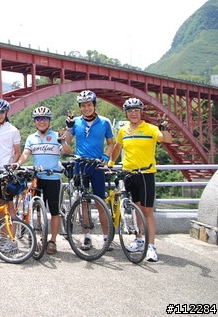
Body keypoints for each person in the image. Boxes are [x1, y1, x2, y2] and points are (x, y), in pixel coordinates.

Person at [110, 98, 172, 262]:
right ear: (126, 113)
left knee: (147, 211)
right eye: (130, 111)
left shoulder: (150, 128)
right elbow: (117, 147)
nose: (133, 113)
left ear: (141, 112)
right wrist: (111, 163)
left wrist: (163, 128)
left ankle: (151, 247)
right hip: (129, 174)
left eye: (136, 110)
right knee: (135, 209)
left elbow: (166, 139)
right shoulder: (123, 130)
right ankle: (139, 240)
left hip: (146, 174)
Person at [14, 106, 71, 255]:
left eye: (44, 118)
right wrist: (18, 164)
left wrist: (63, 142)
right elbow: (26, 153)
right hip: (37, 178)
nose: (41, 121)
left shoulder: (56, 135)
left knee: (54, 211)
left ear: (49, 120)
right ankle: (39, 236)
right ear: (35, 121)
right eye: (38, 119)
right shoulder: (31, 138)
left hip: (53, 178)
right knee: (36, 209)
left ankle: (52, 241)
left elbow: (68, 152)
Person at [64, 90, 114, 252]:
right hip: (80, 165)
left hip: (97, 165)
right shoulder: (76, 122)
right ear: (80, 107)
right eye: (83, 106)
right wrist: (68, 129)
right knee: (83, 202)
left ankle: (106, 237)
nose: (86, 108)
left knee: (101, 202)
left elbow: (111, 143)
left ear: (94, 105)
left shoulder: (105, 122)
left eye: (89, 105)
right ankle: (87, 236)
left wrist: (106, 157)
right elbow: (66, 145)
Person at [0, 99, 21, 239]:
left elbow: (17, 152)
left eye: (2, 111)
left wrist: (11, 166)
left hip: (5, 172)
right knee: (0, 204)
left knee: (10, 206)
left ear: (6, 113)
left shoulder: (13, 130)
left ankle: (12, 239)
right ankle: (2, 236)